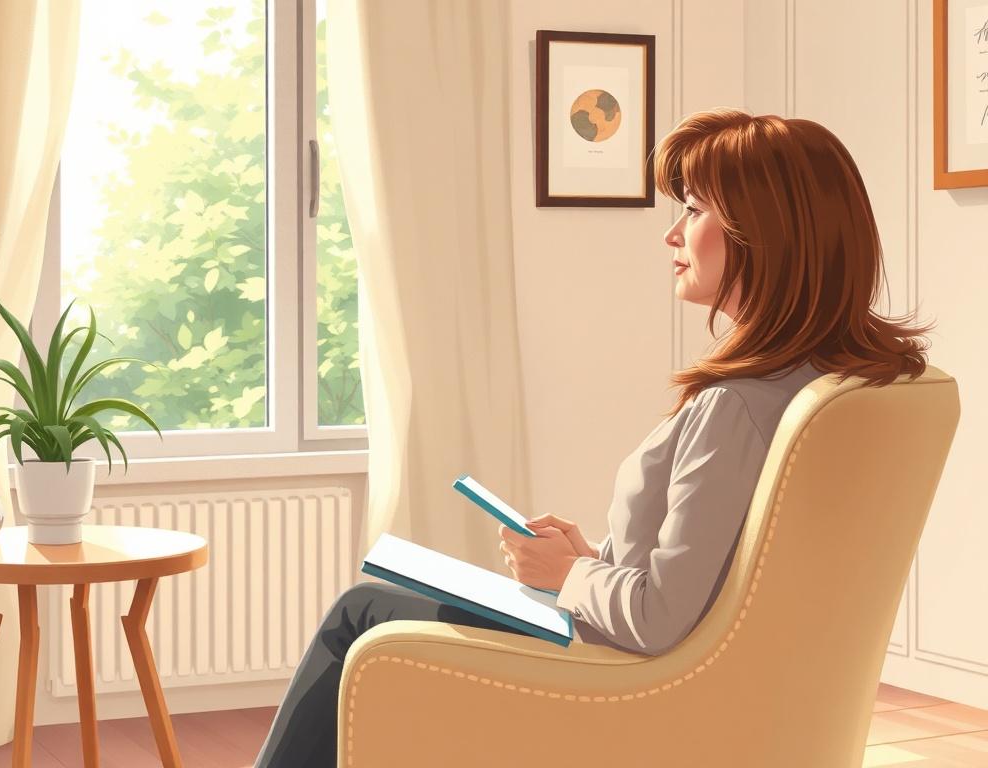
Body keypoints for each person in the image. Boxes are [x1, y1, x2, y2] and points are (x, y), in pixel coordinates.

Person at [253, 108, 934, 767]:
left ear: (765, 232)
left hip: (633, 681)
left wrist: (567, 574)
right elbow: (723, 573)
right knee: (379, 606)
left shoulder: (736, 408)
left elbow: (661, 619)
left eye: (694, 210)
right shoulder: (849, 384)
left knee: (362, 611)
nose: (672, 234)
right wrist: (592, 558)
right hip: (711, 681)